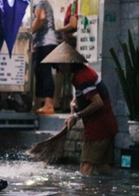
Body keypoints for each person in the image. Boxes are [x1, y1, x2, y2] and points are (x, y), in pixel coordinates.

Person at [42, 42, 118, 175]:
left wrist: (76, 116)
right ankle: (106, 194)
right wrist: (75, 102)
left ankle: (85, 195)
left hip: (99, 127)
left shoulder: (82, 76)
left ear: (67, 63)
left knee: (85, 167)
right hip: (105, 125)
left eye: (59, 65)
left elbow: (98, 103)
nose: (58, 69)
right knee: (102, 167)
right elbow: (83, 94)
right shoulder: (80, 74)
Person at [31, 0, 57, 115]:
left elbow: (41, 18)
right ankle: (38, 103)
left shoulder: (39, 2)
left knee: (45, 72)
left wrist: (29, 31)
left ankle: (49, 104)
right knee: (39, 71)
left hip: (46, 42)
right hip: (42, 43)